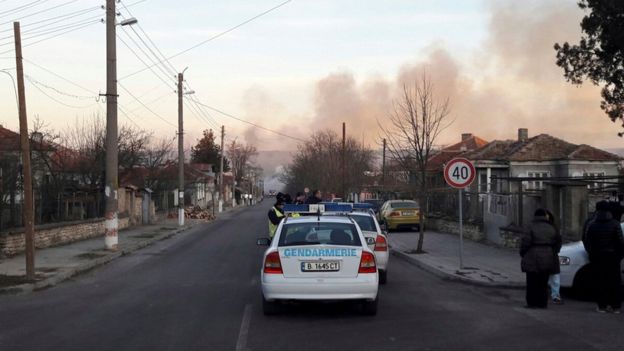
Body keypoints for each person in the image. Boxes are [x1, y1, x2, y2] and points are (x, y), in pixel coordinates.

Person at [583, 200, 624, 313]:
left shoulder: (592, 224)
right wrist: (619, 256)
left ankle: (602, 306)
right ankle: (616, 306)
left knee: (600, 281)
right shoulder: (615, 223)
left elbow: (587, 242)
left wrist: (592, 254)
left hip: (598, 257)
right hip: (613, 257)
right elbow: (621, 242)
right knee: (615, 281)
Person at [520, 208, 562, 309]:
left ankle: (532, 303)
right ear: (545, 216)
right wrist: (553, 251)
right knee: (543, 282)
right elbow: (558, 241)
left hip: (532, 255)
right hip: (548, 255)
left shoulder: (531, 226)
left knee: (532, 281)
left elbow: (525, 242)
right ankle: (542, 303)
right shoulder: (552, 227)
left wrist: (523, 253)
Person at [545, 209, 563, 304]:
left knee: (555, 277)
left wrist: (556, 250)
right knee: (549, 276)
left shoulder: (553, 227)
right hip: (545, 254)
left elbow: (558, 240)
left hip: (551, 254)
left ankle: (555, 295)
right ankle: (551, 295)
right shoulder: (542, 227)